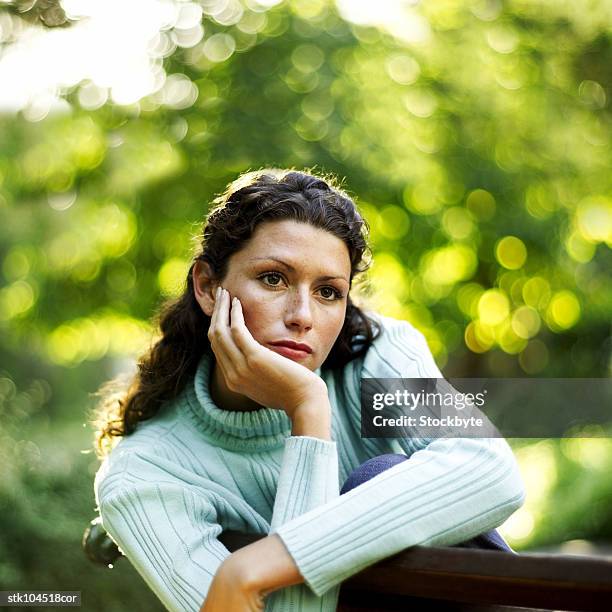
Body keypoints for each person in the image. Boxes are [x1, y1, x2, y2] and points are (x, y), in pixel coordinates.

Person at [90, 168, 526, 612]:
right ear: (207, 286)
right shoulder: (146, 474)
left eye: (328, 292)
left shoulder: (376, 354)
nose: (303, 315)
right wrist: (307, 410)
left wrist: (262, 564)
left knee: (378, 475)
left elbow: (490, 469)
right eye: (273, 279)